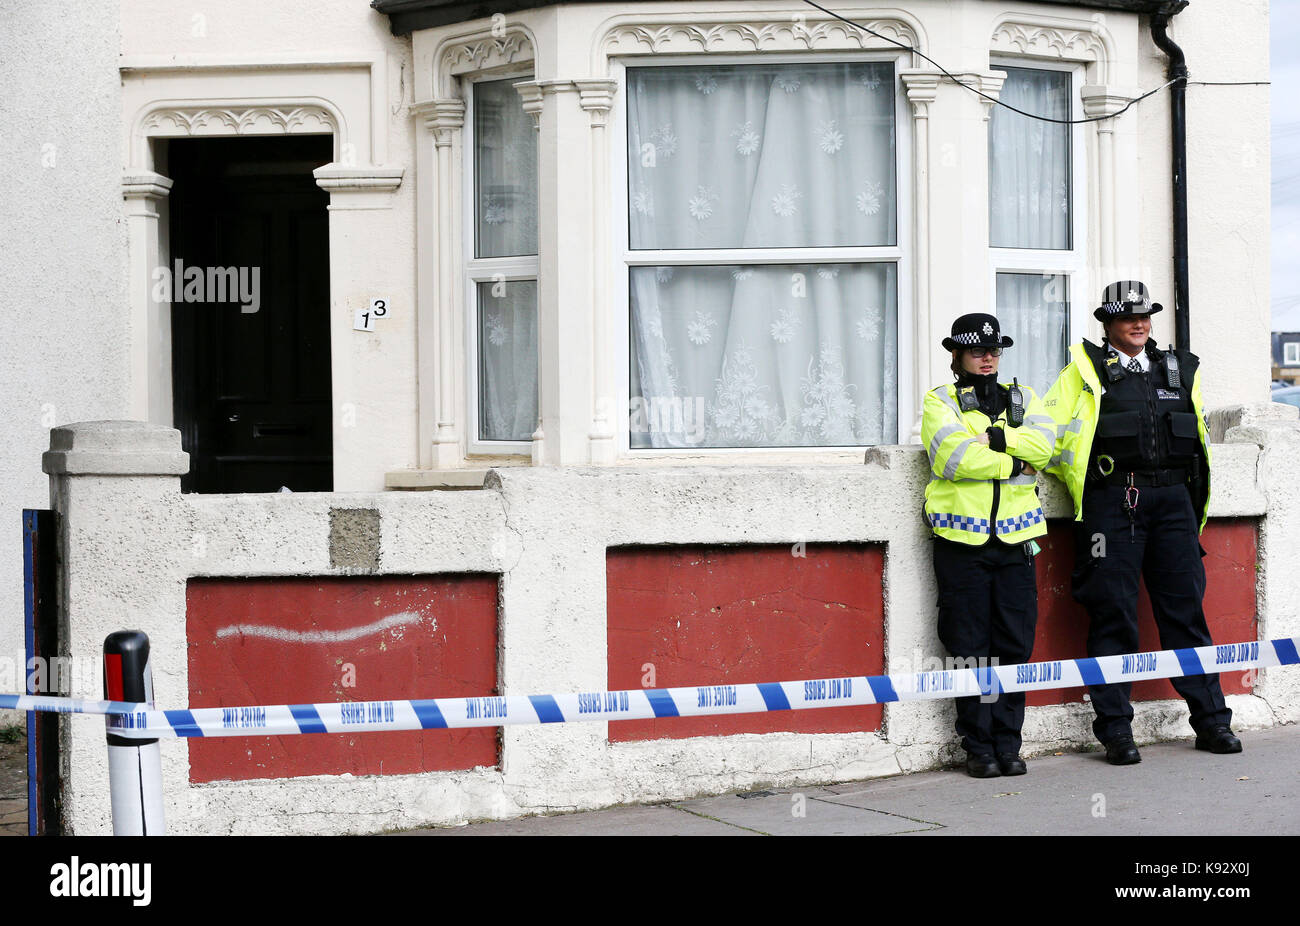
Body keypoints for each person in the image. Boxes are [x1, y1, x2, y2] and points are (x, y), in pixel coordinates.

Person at [1040, 281, 1240, 765]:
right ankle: (1115, 732)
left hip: (1174, 503)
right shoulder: (1083, 372)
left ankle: (1212, 723)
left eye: (1146, 315)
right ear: (1107, 324)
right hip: (1113, 501)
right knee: (1113, 615)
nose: (1139, 324)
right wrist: (1026, 456)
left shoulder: (1177, 369)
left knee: (1186, 615)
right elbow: (1045, 432)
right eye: (1128, 317)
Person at [922, 313, 1055, 778]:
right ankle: (978, 746)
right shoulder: (941, 401)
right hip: (963, 544)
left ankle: (1008, 743)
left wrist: (998, 438)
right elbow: (952, 458)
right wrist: (1014, 466)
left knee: (1014, 644)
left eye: (994, 351)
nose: (987, 358)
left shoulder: (1025, 397)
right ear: (956, 355)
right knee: (968, 644)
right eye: (977, 351)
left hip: (1016, 542)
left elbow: (1046, 448)